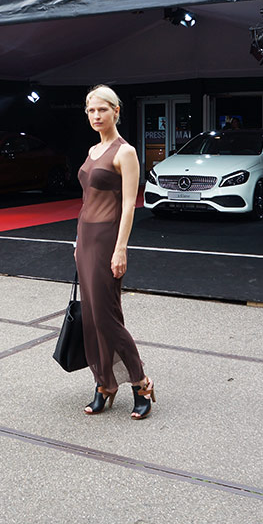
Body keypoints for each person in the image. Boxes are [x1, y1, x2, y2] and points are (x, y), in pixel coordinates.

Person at [75, 85, 156, 419]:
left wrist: (121, 248)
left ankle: (141, 383)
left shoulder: (125, 152)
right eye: (91, 111)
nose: (96, 116)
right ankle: (104, 383)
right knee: (92, 319)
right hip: (86, 238)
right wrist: (78, 241)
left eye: (102, 110)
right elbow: (86, 202)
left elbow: (128, 206)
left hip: (109, 238)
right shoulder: (93, 150)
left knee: (107, 318)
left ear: (116, 111)